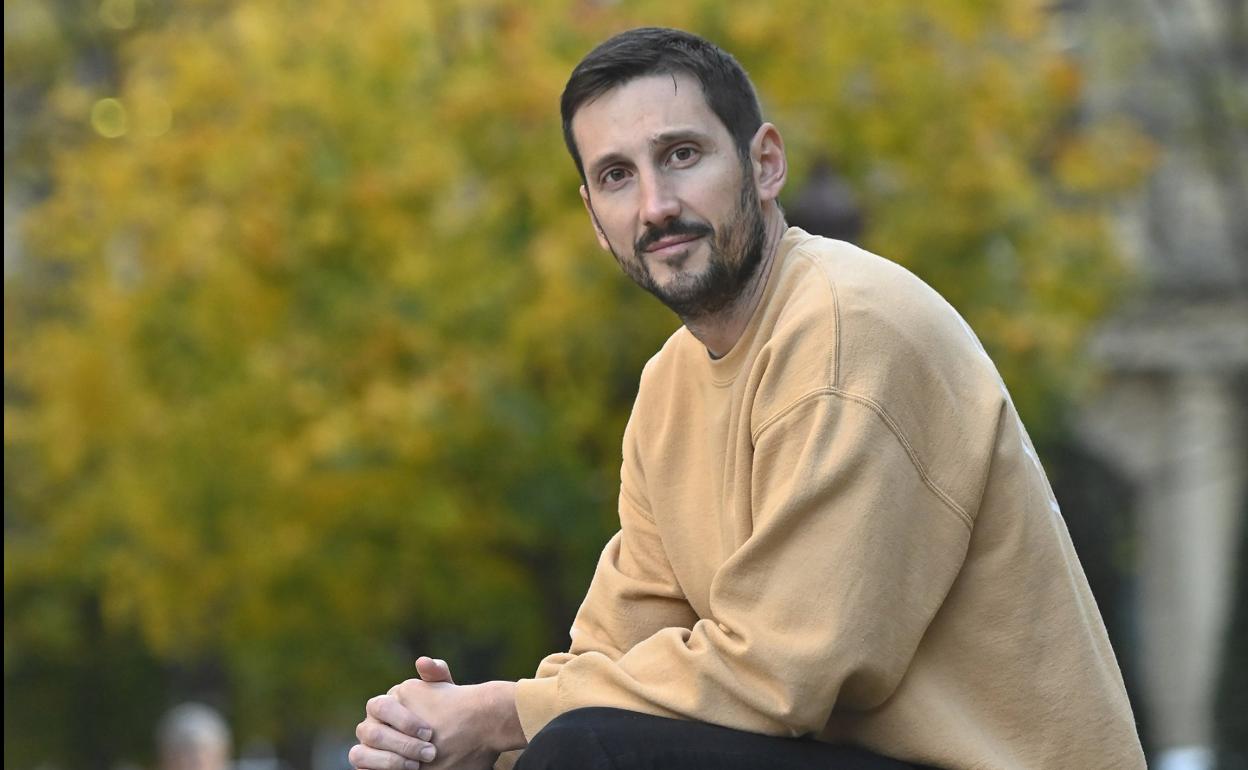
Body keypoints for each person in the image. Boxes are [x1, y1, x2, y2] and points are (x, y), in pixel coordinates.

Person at [348, 27, 1146, 770]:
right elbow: (615, 657)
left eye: (681, 154)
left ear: (764, 164)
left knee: (590, 752)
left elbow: (781, 675)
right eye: (617, 176)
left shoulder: (846, 328)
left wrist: (501, 714)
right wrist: (451, 737)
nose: (655, 205)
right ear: (593, 217)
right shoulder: (669, 385)